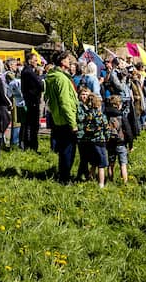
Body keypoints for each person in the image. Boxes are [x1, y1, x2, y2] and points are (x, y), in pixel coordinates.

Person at [44, 51, 79, 184]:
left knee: (63, 149)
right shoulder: (62, 79)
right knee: (68, 151)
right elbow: (65, 102)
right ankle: (65, 178)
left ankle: (63, 175)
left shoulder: (51, 76)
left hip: (57, 118)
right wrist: (73, 123)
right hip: (66, 119)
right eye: (67, 59)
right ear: (62, 62)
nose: (70, 62)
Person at [76, 89, 109, 188]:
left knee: (93, 162)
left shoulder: (87, 115)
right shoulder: (100, 115)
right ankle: (101, 183)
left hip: (89, 140)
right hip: (100, 141)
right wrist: (107, 137)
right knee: (101, 164)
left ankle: (90, 178)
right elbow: (106, 128)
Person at [104, 95, 134, 184]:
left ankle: (110, 180)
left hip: (110, 143)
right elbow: (129, 132)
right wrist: (130, 145)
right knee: (123, 164)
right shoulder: (121, 116)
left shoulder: (106, 116)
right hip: (121, 143)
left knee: (111, 164)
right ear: (118, 105)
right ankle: (124, 183)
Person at [20, 56, 44, 151]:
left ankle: (28, 144)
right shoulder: (29, 72)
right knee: (33, 125)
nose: (36, 62)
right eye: (35, 60)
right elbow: (39, 84)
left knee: (29, 124)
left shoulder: (26, 71)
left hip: (29, 99)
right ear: (30, 61)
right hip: (32, 100)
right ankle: (32, 146)